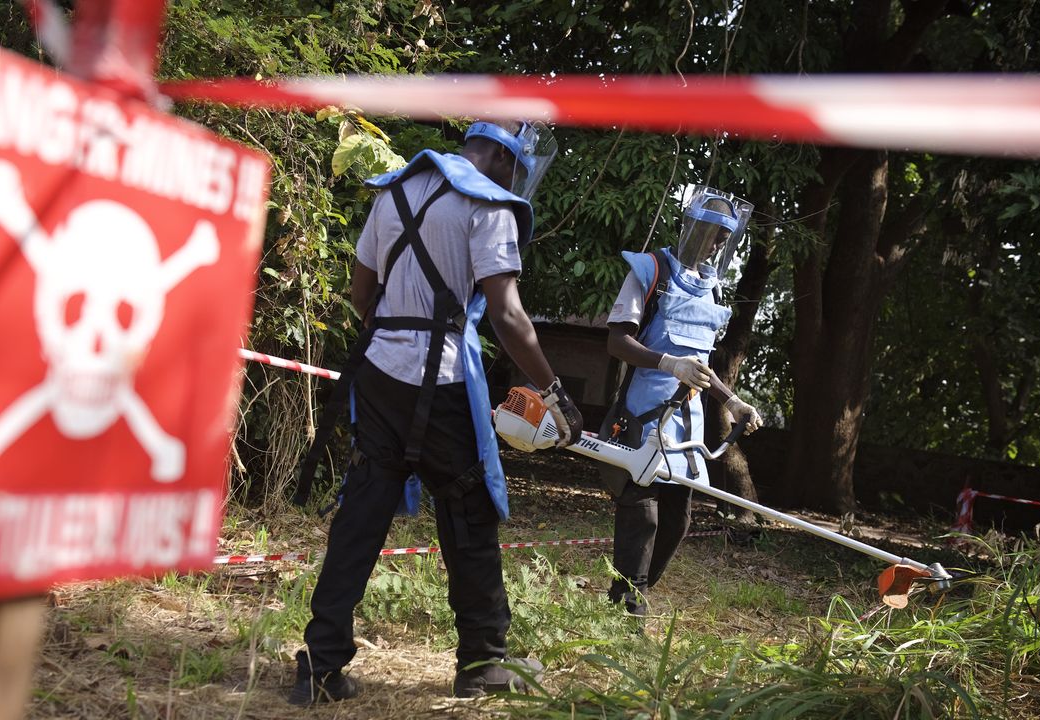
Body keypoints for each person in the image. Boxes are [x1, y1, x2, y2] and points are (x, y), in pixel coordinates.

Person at [290, 119, 584, 705]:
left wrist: (395, 339)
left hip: (377, 374)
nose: (517, 180)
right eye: (518, 170)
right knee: (469, 513)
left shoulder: (394, 189)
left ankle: (321, 665)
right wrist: (553, 390)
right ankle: (482, 661)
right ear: (505, 159)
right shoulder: (490, 203)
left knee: (362, 512)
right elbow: (508, 315)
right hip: (442, 381)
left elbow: (361, 294)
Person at [598, 185, 763, 617]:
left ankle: (627, 597)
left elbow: (704, 368)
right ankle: (629, 612)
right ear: (693, 227)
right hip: (641, 419)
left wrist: (732, 402)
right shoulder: (651, 270)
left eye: (725, 240)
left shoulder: (711, 291)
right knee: (643, 516)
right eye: (713, 234)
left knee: (677, 523)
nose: (718, 245)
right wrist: (667, 363)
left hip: (686, 430)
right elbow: (617, 342)